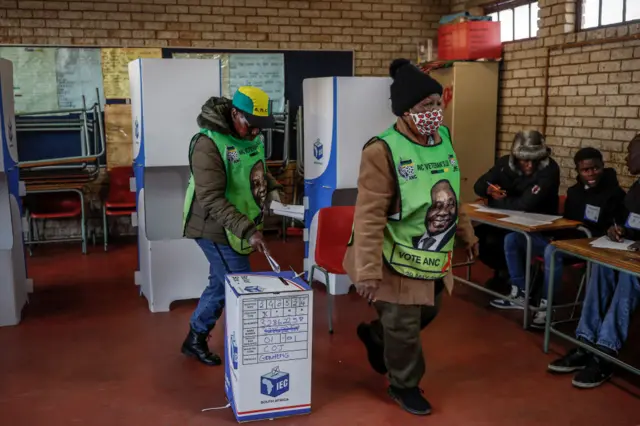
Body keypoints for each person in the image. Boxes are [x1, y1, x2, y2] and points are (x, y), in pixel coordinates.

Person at [343, 58, 479, 416]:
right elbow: (369, 215)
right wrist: (368, 271)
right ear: (405, 111)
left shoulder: (444, 138)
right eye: (425, 106)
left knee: (429, 310)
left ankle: (376, 335)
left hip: (433, 254)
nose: (434, 112)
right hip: (393, 256)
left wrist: (466, 231)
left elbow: (452, 189)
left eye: (437, 103)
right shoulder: (382, 150)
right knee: (404, 328)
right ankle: (403, 384)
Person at [181, 86, 282, 366]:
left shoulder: (252, 136)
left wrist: (272, 188)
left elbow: (259, 169)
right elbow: (210, 197)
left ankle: (195, 337)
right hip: (212, 224)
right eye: (250, 125)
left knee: (220, 282)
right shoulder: (207, 143)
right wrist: (249, 230)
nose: (255, 133)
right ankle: (218, 342)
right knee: (237, 282)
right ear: (235, 113)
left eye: (260, 128)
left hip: (236, 222)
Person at [490, 147, 627, 329]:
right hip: (565, 241)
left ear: (603, 166)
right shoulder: (574, 192)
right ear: (578, 171)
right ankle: (520, 293)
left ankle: (547, 307)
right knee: (513, 238)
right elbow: (568, 221)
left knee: (552, 250)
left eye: (596, 168)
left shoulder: (615, 194)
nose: (591, 173)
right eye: (585, 170)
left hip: (590, 246)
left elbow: (617, 226)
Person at [547, 135, 640, 388]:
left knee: (628, 277)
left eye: (631, 151)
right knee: (602, 265)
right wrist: (618, 231)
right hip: (631, 253)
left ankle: (606, 352)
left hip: (636, 267)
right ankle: (585, 342)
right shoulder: (637, 188)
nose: (625, 157)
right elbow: (631, 223)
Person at [473, 131, 560, 288]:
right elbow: (479, 184)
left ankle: (518, 279)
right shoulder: (504, 164)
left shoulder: (549, 169)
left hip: (538, 224)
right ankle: (502, 273)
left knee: (498, 239)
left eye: (535, 160)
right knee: (481, 236)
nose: (530, 165)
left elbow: (525, 205)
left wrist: (491, 202)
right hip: (507, 220)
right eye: (525, 160)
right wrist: (489, 190)